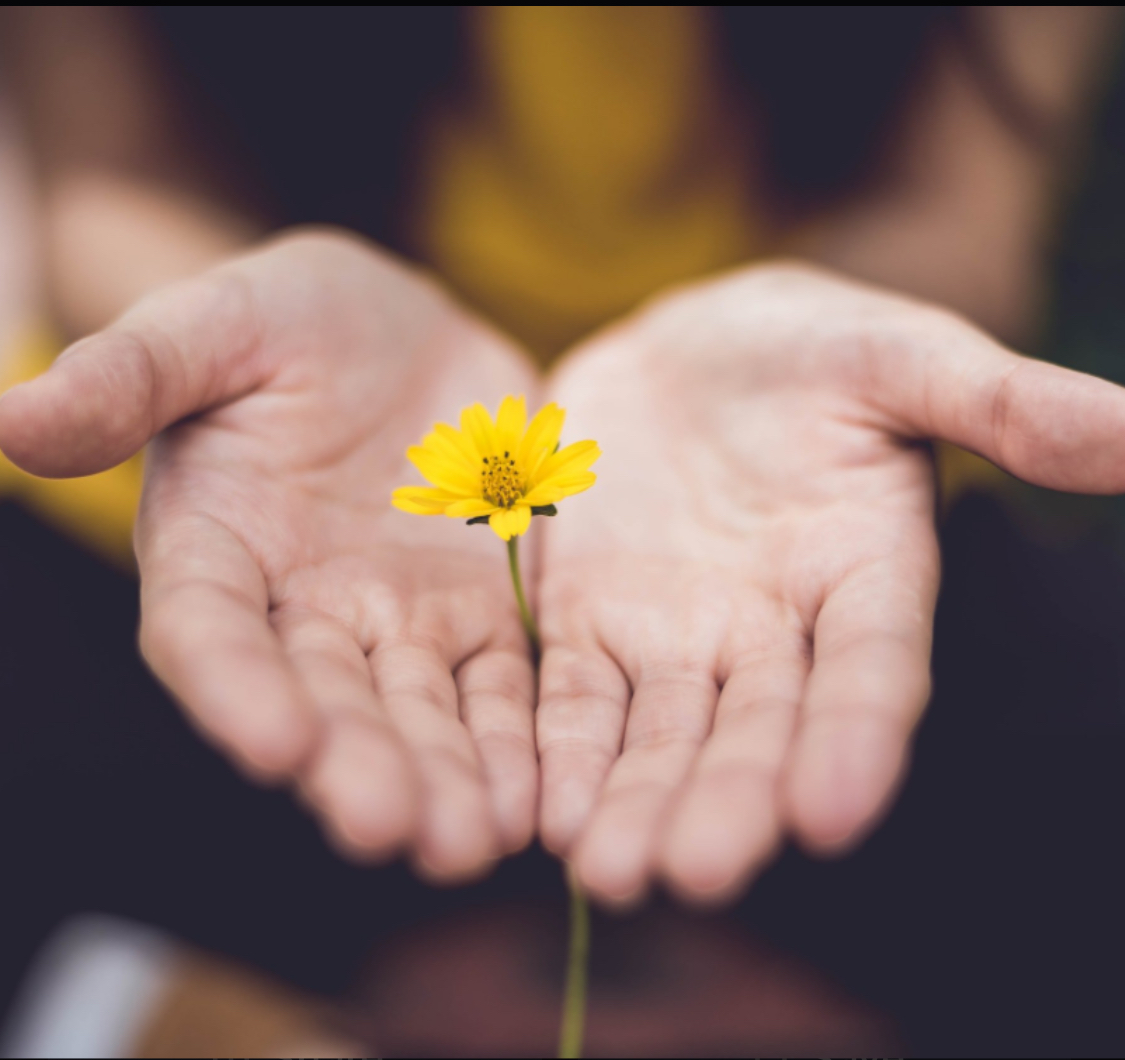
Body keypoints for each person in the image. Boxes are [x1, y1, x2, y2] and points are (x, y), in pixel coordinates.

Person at [0, 6, 1122, 916]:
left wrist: (847, 322)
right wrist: (209, 331)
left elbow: (959, 209)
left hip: (790, 500)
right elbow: (112, 177)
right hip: (283, 488)